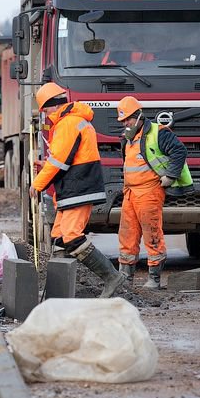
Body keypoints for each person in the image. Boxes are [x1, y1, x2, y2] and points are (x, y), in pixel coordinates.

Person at [29, 82, 126, 298]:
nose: (46, 115)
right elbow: (64, 159)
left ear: (54, 106)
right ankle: (58, 292)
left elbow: (59, 161)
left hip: (79, 188)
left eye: (46, 110)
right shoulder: (73, 121)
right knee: (60, 237)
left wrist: (37, 183)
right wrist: (46, 167)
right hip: (74, 188)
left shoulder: (68, 123)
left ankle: (112, 276)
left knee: (72, 237)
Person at [116, 95, 193, 289]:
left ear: (138, 116)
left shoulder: (159, 133)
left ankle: (154, 278)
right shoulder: (128, 138)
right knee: (127, 234)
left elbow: (179, 151)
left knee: (152, 233)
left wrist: (171, 175)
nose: (125, 123)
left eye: (128, 119)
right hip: (130, 193)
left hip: (149, 191)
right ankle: (125, 279)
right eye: (123, 120)